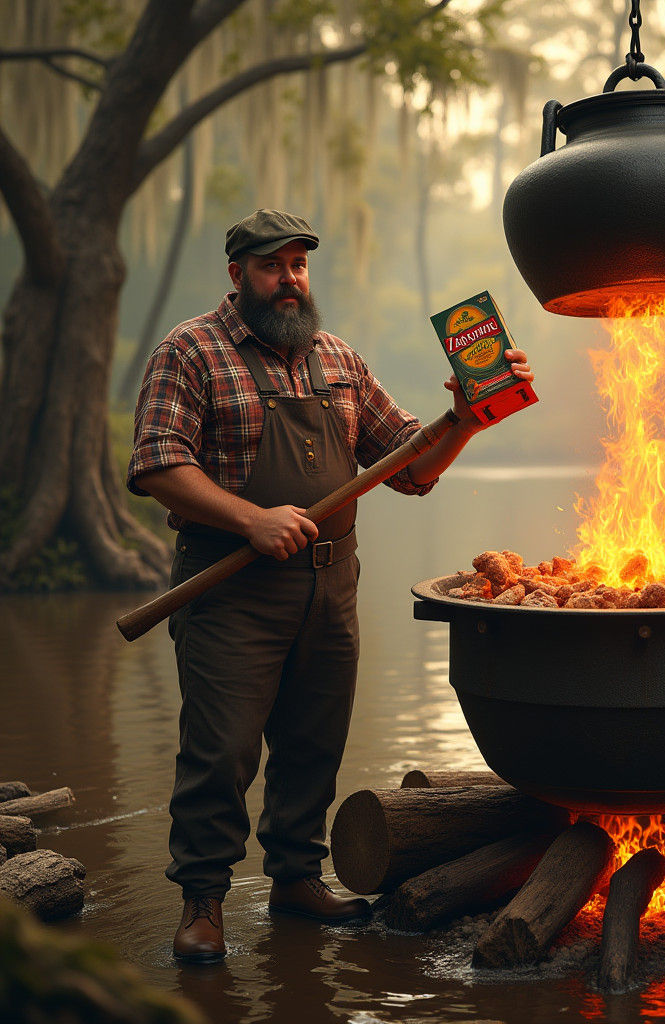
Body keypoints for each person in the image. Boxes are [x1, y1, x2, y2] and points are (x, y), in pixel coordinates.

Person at [127, 209, 533, 963]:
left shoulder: (338, 359)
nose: (289, 279)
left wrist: (468, 417)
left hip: (330, 587)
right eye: (273, 266)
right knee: (220, 752)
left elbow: (411, 467)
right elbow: (156, 462)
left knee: (314, 746)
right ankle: (204, 902)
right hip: (232, 590)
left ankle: (295, 879)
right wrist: (250, 518)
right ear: (237, 275)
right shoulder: (191, 350)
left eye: (299, 265)